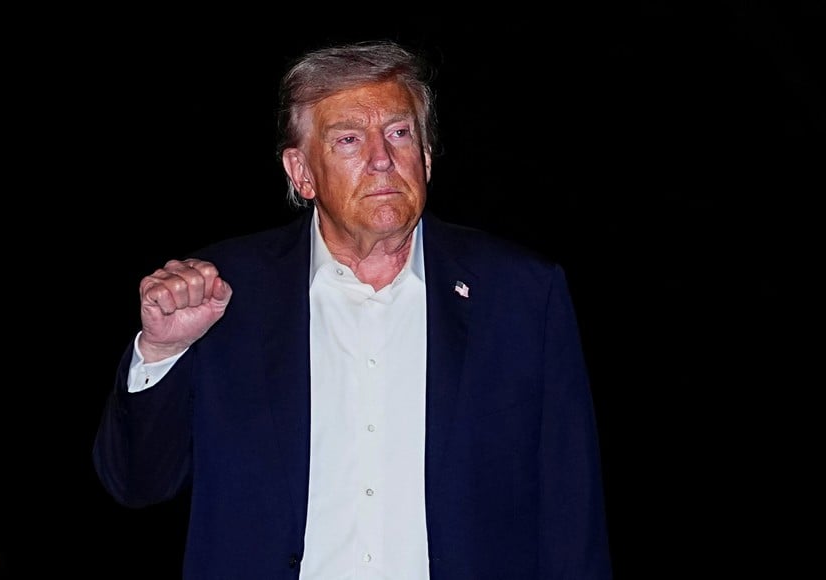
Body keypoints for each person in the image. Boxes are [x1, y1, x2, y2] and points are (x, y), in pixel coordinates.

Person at [92, 39, 613, 579]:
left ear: (426, 157)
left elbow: (571, 511)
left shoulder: (520, 294)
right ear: (301, 172)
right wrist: (163, 350)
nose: (382, 159)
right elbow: (136, 484)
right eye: (348, 139)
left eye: (399, 132)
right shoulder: (224, 293)